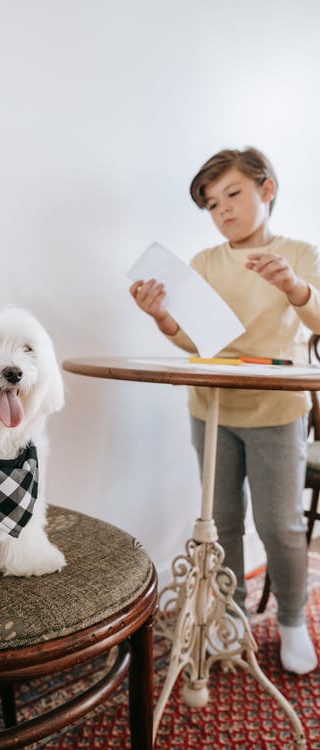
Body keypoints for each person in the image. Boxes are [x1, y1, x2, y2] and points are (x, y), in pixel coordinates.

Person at [130, 147, 319, 675]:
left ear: (267, 189)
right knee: (223, 519)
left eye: (232, 194)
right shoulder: (205, 264)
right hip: (211, 405)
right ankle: (230, 617)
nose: (223, 211)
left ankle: (292, 622)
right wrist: (164, 317)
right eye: (212, 205)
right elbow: (198, 340)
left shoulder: (300, 254)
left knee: (279, 524)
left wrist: (293, 287)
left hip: (277, 410)